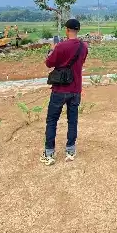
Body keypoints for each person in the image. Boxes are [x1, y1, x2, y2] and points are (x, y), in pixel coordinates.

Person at [40, 18, 88, 166]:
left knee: (52, 120)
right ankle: (70, 150)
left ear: (67, 30)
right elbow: (80, 63)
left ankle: (49, 153)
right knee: (72, 120)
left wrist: (52, 51)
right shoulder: (84, 47)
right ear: (78, 30)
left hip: (59, 89)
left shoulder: (60, 46)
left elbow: (49, 63)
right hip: (75, 89)